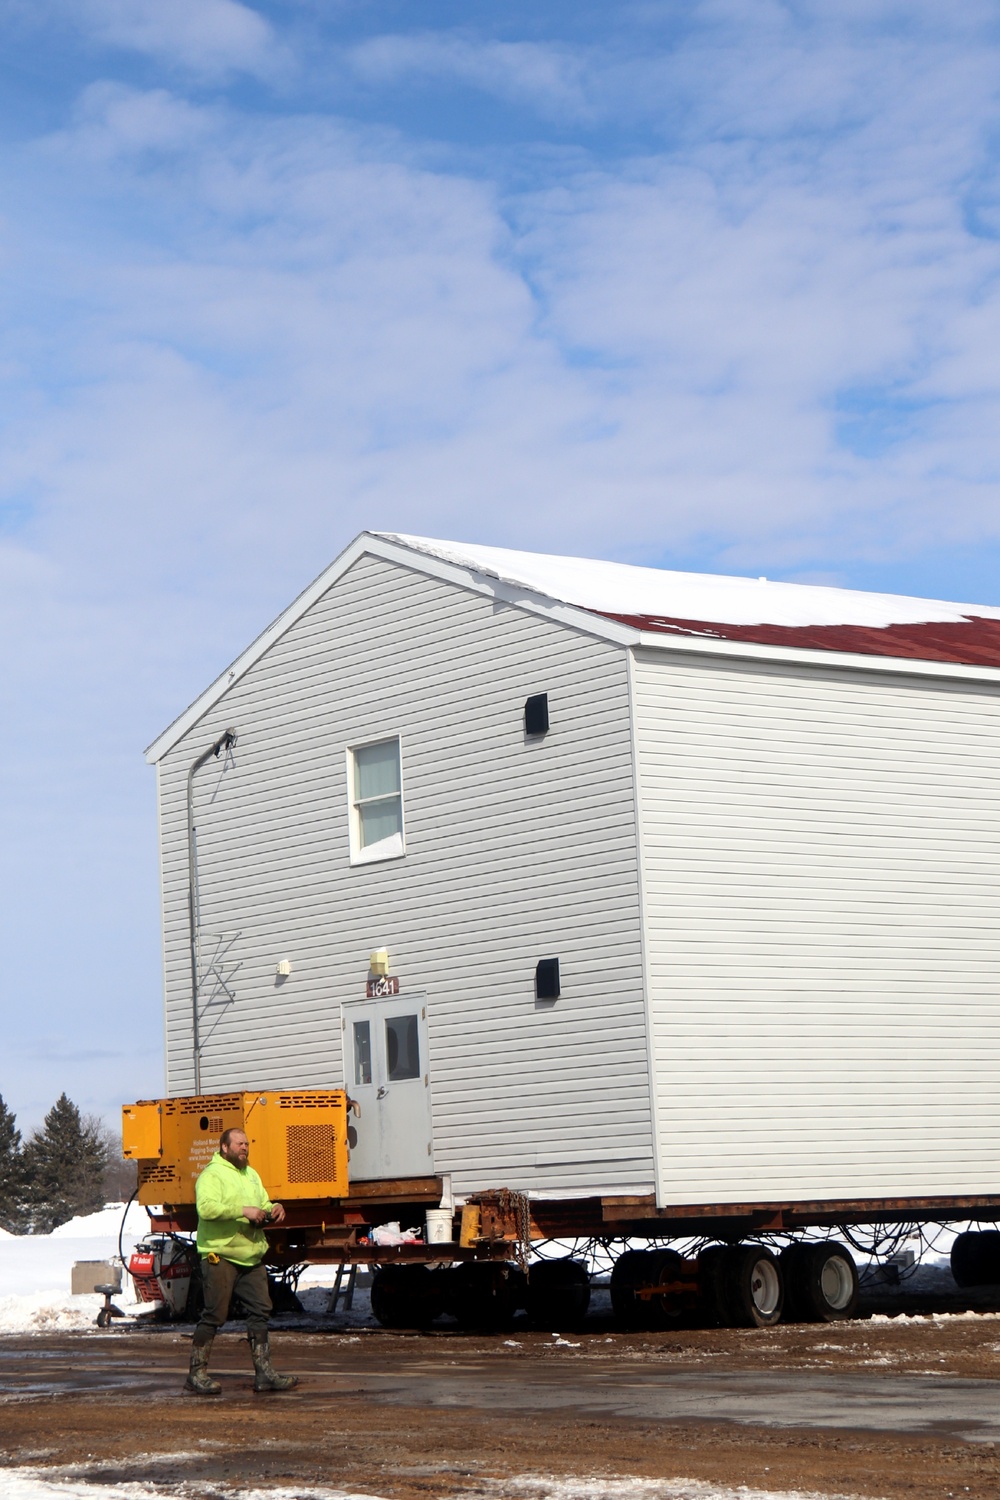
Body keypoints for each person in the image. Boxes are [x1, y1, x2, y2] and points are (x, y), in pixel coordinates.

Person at [184, 1126, 299, 1396]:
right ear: (224, 1147)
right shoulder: (211, 1175)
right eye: (239, 1144)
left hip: (250, 1255)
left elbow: (263, 1202)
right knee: (215, 1314)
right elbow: (206, 1208)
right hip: (220, 1254)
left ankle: (265, 1374)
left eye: (247, 1143)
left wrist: (274, 1208)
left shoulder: (251, 1174)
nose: (245, 1148)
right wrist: (242, 1211)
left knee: (261, 1311)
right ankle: (196, 1374)